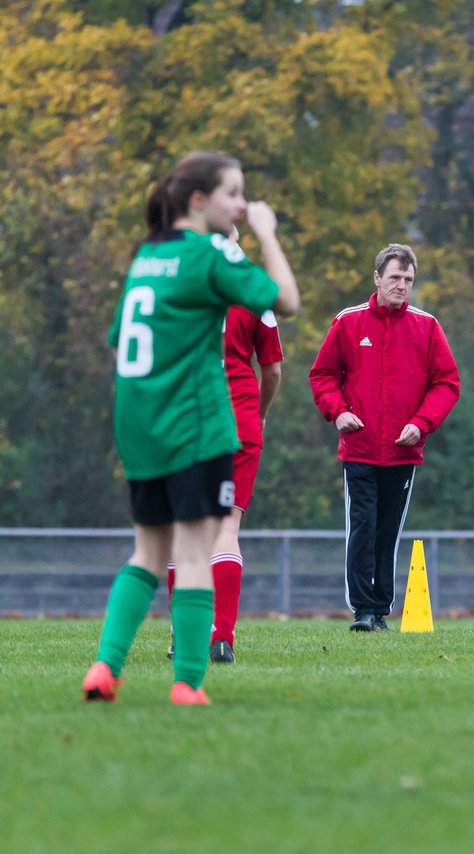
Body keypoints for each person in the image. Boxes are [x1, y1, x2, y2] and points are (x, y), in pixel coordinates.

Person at [82, 151, 299, 705]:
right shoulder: (207, 256)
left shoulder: (145, 257)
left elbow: (118, 340)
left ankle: (105, 669)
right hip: (195, 426)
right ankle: (188, 683)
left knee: (147, 556)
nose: (242, 204)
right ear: (198, 201)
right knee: (199, 554)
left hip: (139, 426)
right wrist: (266, 233)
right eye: (233, 193)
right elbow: (287, 302)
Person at [309, 244, 460, 632]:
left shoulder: (427, 326)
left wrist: (422, 423)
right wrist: (338, 412)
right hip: (359, 449)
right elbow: (322, 376)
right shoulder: (348, 322)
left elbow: (446, 383)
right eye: (395, 278)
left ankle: (381, 609)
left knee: (387, 529)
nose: (402, 286)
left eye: (408, 280)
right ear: (377, 278)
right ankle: (362, 610)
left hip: (403, 451)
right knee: (361, 525)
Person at [165, 224, 285, 664]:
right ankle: (221, 636)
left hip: (191, 422)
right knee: (227, 530)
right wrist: (261, 414)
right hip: (239, 421)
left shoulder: (178, 283)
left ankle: (183, 636)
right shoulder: (253, 289)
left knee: (187, 530)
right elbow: (272, 370)